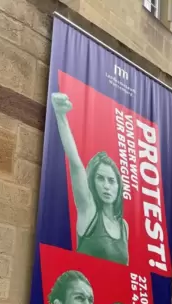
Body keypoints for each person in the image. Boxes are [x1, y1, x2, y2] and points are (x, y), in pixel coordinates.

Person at [51, 92, 129, 265]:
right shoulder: (89, 211)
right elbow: (76, 164)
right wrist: (60, 115)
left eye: (111, 181)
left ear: (118, 186)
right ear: (92, 182)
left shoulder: (124, 227)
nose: (107, 186)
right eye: (100, 179)